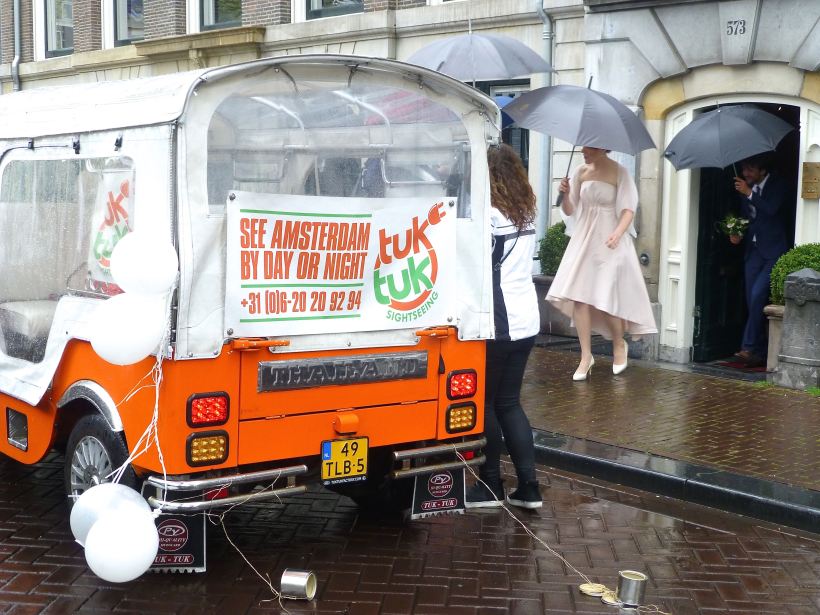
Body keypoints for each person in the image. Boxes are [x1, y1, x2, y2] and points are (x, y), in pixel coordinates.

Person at [465, 144, 541, 510]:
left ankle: (491, 484)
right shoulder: (526, 212)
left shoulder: (490, 217)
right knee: (510, 403)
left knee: (486, 404)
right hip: (527, 318)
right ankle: (529, 487)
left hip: (498, 321)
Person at [547, 147, 657, 381]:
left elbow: (628, 210)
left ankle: (618, 344)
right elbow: (570, 210)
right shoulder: (580, 172)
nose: (583, 151)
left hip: (610, 242)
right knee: (579, 297)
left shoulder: (620, 172)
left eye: (588, 147)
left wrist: (617, 233)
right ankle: (586, 356)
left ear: (601, 147)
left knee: (607, 297)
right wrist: (565, 194)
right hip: (585, 238)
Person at [731, 154, 789, 368]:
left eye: (750, 169)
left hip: (774, 251)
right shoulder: (746, 189)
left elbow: (771, 210)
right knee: (752, 301)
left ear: (763, 171)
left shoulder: (779, 185)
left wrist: (749, 193)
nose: (745, 173)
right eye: (744, 169)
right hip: (753, 251)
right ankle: (760, 351)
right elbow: (747, 217)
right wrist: (737, 232)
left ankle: (748, 347)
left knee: (757, 295)